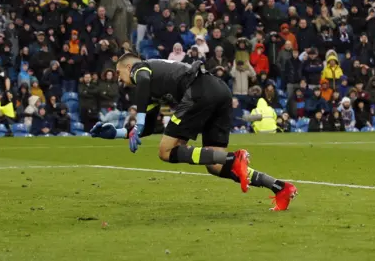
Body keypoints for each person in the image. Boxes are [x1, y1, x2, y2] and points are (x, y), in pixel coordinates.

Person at [90, 54, 297, 211]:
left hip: (199, 91)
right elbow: (150, 127)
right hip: (218, 90)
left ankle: (234, 157)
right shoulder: (151, 88)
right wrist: (118, 133)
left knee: (165, 151)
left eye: (119, 73)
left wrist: (139, 120)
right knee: (216, 165)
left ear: (128, 66)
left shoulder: (140, 70)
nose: (119, 78)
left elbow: (142, 83)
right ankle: (279, 187)